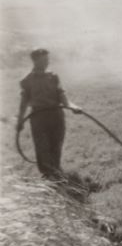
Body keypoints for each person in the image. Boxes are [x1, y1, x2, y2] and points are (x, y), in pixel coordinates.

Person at [16, 48, 82, 179]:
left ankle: (56, 171)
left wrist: (73, 107)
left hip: (56, 115)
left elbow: (62, 95)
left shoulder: (53, 77)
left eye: (48, 59)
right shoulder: (26, 81)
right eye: (44, 60)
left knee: (56, 145)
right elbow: (24, 103)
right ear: (34, 61)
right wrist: (20, 121)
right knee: (42, 147)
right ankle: (48, 176)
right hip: (38, 118)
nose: (47, 62)